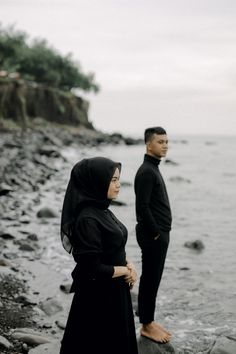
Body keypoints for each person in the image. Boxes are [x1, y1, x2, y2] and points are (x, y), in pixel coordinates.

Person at [60, 156, 138, 354]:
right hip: (99, 300)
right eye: (113, 180)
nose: (119, 185)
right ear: (96, 181)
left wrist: (130, 265)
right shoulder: (87, 219)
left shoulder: (103, 209)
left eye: (119, 179)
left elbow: (113, 247)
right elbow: (91, 269)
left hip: (114, 290)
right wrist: (124, 270)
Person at [134, 126, 172, 343]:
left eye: (166, 141)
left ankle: (148, 320)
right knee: (150, 279)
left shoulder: (152, 168)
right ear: (149, 144)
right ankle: (146, 326)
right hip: (153, 236)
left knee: (153, 279)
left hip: (157, 235)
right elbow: (142, 207)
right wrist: (157, 234)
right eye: (160, 142)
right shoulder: (147, 171)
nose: (165, 145)